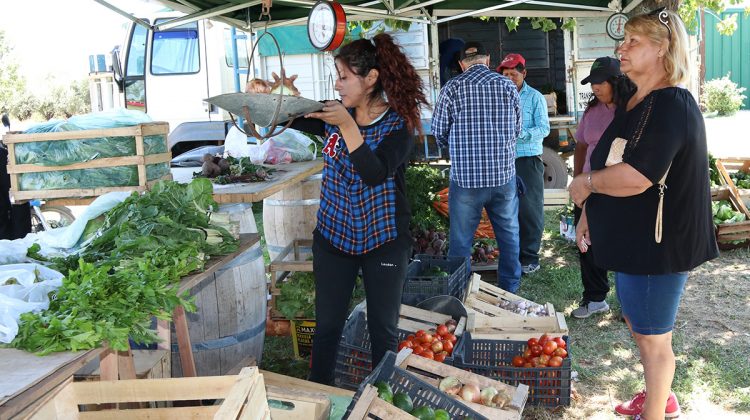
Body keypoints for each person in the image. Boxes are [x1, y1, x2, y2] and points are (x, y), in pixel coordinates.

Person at [568, 9, 718, 420]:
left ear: (664, 48)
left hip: (659, 245)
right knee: (640, 325)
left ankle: (654, 412)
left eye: (634, 41)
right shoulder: (635, 102)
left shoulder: (672, 103)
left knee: (653, 340)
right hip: (636, 242)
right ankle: (660, 397)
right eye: (625, 39)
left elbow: (636, 176)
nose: (622, 48)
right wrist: (588, 212)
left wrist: (586, 185)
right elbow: (612, 158)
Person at [290, 33, 428, 385]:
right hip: (334, 238)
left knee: (383, 330)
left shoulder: (399, 125)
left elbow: (375, 172)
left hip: (383, 240)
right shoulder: (333, 113)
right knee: (327, 328)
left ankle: (381, 400)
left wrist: (347, 125)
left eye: (343, 76)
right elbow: (285, 118)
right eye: (336, 75)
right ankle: (320, 397)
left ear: (370, 79)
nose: (336, 84)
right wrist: (270, 102)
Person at [432, 42, 523, 292]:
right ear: (488, 59)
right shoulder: (507, 86)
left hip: (465, 181)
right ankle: (509, 290)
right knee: (509, 237)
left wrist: (457, 149)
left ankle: (460, 292)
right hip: (503, 178)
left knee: (461, 241)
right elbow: (517, 130)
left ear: (462, 64)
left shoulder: (452, 88)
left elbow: (439, 132)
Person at [570, 57, 635, 319]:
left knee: (624, 244)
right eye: (592, 83)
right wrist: (577, 179)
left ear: (616, 81)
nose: (595, 87)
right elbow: (582, 145)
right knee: (586, 243)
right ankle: (595, 298)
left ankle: (629, 305)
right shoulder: (592, 110)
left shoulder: (633, 109)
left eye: (600, 82)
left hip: (621, 187)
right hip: (589, 187)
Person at [497, 53, 550, 275]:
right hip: (503, 160)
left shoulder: (535, 97)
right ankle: (512, 255)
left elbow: (544, 129)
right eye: (506, 74)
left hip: (528, 161)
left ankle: (530, 258)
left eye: (514, 74)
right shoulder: (497, 96)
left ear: (524, 73)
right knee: (506, 209)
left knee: (529, 210)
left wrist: (520, 134)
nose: (509, 78)